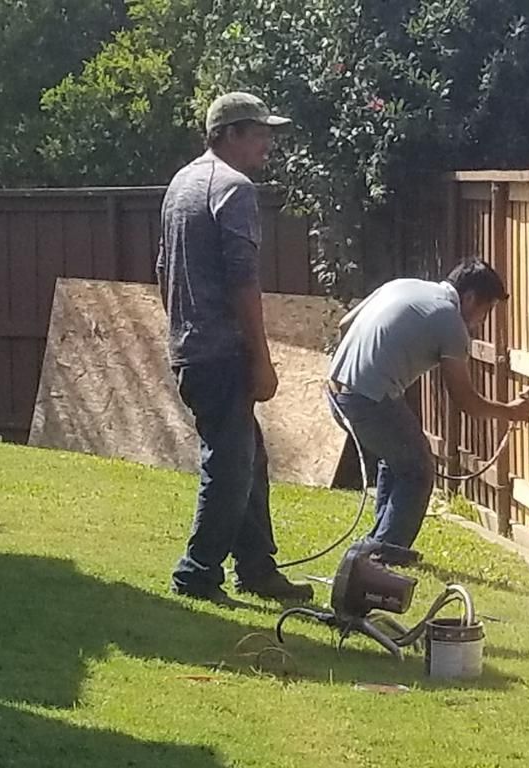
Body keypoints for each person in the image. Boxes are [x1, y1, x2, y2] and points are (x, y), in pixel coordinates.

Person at [156, 92, 312, 604]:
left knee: (249, 456)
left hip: (191, 346)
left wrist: (180, 327)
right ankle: (197, 572)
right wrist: (261, 359)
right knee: (228, 463)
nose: (267, 142)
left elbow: (163, 270)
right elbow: (243, 282)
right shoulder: (235, 189)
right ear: (227, 135)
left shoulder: (181, 185)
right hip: (222, 351)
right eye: (257, 132)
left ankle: (256, 566)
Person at [327, 259, 529, 563]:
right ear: (471, 298)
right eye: (485, 311)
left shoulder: (404, 285)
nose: (480, 322)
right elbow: (465, 400)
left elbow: (345, 325)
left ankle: (378, 544)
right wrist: (511, 412)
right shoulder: (449, 321)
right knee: (419, 470)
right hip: (366, 401)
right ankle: (383, 555)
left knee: (397, 459)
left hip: (334, 391)